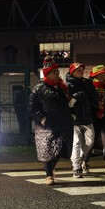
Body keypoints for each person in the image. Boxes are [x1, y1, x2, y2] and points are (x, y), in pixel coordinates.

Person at [28, 56, 75, 185]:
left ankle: (51, 168)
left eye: (57, 71)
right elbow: (32, 107)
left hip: (63, 123)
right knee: (47, 149)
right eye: (54, 72)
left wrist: (71, 114)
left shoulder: (61, 88)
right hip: (46, 125)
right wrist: (42, 118)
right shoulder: (39, 88)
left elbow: (66, 104)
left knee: (62, 148)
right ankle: (49, 174)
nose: (57, 74)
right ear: (47, 73)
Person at [66, 62, 98, 178]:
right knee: (76, 143)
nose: (81, 72)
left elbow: (94, 96)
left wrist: (94, 105)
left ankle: (77, 157)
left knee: (90, 141)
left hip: (88, 117)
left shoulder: (86, 83)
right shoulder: (68, 85)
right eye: (78, 70)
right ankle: (76, 167)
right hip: (75, 119)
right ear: (72, 71)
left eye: (82, 70)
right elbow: (68, 102)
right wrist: (79, 97)